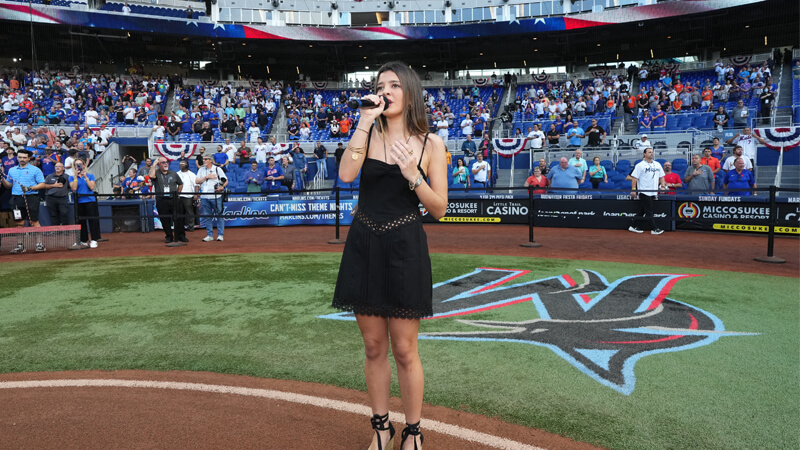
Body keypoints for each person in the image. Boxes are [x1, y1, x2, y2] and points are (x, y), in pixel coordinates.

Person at [332, 61, 447, 450]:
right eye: (381, 85)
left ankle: (413, 431)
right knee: (373, 347)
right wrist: (364, 120)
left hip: (405, 248)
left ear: (410, 92)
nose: (386, 91)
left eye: (395, 85)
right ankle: (381, 427)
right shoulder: (367, 132)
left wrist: (412, 174)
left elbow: (440, 209)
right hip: (364, 243)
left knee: (404, 348)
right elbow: (346, 175)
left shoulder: (432, 143)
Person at [1, 149, 46, 253]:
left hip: (32, 197)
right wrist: (2, 178)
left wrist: (30, 188)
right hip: (16, 198)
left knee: (34, 221)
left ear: (28, 158)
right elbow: (8, 185)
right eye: (20, 157)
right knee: (19, 222)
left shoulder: (35, 170)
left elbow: (42, 184)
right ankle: (20, 245)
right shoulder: (11, 170)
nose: (22, 159)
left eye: (24, 157)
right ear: (17, 157)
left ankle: (39, 244)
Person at [149, 157, 187, 244]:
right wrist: (154, 164)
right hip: (161, 200)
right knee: (165, 219)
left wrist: (177, 194)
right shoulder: (157, 173)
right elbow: (151, 176)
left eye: (166, 162)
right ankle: (169, 236)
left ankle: (181, 235)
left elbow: (180, 184)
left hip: (173, 199)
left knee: (178, 218)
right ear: (159, 164)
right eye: (163, 162)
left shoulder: (173, 173)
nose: (166, 164)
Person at [628, 148, 665, 235]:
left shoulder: (657, 164)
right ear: (644, 154)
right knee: (649, 210)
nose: (651, 153)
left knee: (642, 210)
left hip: (653, 191)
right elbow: (634, 178)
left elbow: (662, 176)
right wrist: (633, 190)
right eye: (649, 152)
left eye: (652, 152)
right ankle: (654, 228)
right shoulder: (640, 165)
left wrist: (662, 186)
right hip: (644, 191)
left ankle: (633, 226)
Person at [68, 158, 101, 249]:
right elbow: (74, 189)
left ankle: (94, 239)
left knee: (93, 221)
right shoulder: (71, 177)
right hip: (79, 202)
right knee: (81, 221)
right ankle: (83, 240)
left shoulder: (90, 176)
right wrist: (75, 177)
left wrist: (85, 177)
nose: (78, 166)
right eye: (76, 164)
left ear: (84, 165)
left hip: (90, 201)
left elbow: (91, 187)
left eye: (80, 164)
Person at [196, 154, 227, 241]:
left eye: (206, 159)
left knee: (219, 215)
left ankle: (220, 235)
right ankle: (209, 235)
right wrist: (207, 177)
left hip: (216, 196)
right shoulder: (201, 170)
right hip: (205, 196)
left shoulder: (217, 169)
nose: (204, 161)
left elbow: (225, 180)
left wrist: (222, 187)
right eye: (203, 159)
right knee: (207, 216)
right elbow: (197, 181)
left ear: (210, 160)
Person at [176, 160, 199, 231]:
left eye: (183, 164)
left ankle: (191, 226)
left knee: (189, 212)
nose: (181, 165)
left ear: (187, 165)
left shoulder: (191, 174)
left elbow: (196, 185)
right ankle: (180, 227)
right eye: (180, 164)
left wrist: (196, 194)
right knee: (179, 212)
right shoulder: (177, 174)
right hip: (179, 195)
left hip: (188, 196)